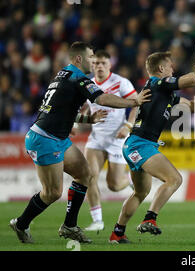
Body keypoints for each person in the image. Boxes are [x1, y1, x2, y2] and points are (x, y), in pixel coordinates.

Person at [9, 41, 151, 244]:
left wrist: (88, 120)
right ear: (78, 59)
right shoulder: (77, 77)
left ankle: (69, 226)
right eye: (90, 57)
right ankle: (21, 223)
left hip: (57, 138)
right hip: (45, 139)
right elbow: (101, 99)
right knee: (52, 193)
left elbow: (61, 109)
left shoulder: (63, 75)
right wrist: (134, 102)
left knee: (85, 174)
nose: (93, 61)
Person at [109, 51, 195, 243]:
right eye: (170, 66)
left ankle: (117, 233)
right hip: (141, 145)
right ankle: (150, 219)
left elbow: (190, 106)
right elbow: (192, 79)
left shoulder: (162, 91)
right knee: (174, 179)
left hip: (135, 144)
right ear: (161, 69)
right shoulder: (158, 83)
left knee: (141, 192)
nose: (172, 69)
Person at [78, 50, 139, 232]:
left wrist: (128, 125)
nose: (99, 66)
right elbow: (83, 108)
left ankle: (127, 178)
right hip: (96, 139)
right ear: (91, 65)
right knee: (89, 177)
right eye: (96, 63)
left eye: (103, 63)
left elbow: (136, 104)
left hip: (117, 138)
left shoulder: (121, 82)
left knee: (113, 185)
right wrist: (78, 121)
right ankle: (97, 220)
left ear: (110, 65)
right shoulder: (87, 84)